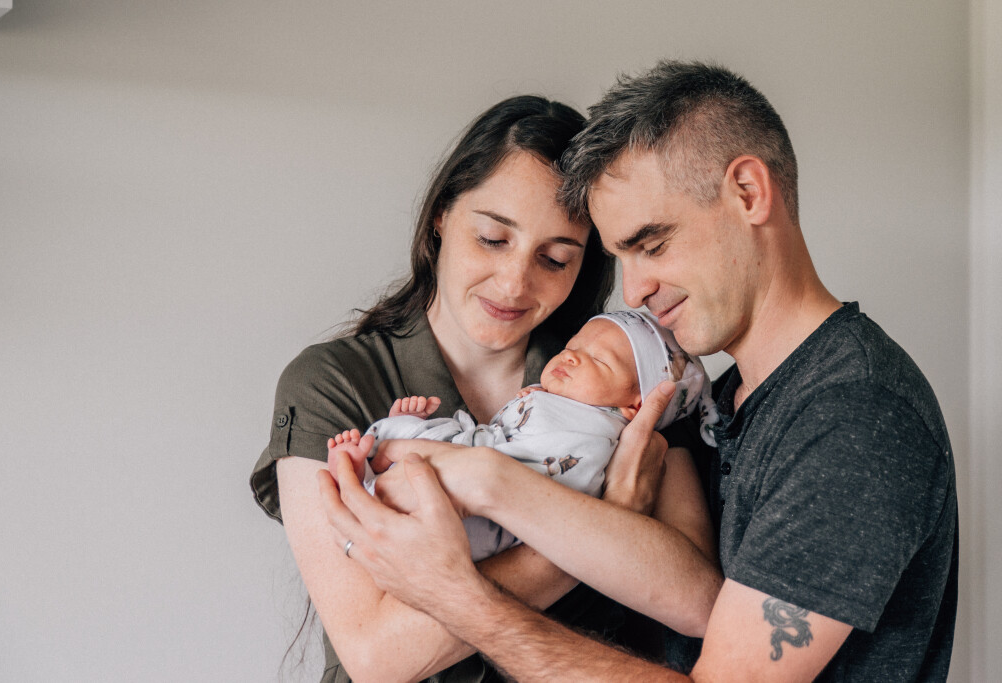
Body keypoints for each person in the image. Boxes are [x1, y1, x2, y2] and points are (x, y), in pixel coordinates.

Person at [319, 60, 959, 682]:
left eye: (652, 244)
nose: (634, 291)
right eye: (621, 257)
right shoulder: (722, 402)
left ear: (748, 192)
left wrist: (460, 593)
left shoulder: (853, 417)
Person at [250, 95, 722, 682]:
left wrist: (492, 495)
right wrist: (607, 522)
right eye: (494, 239)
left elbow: (698, 602)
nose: (515, 282)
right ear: (442, 216)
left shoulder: (627, 376)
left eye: (555, 259)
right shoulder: (333, 383)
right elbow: (377, 656)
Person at [327, 310, 718, 562]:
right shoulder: (560, 401)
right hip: (480, 459)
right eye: (573, 346)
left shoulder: (595, 435)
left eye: (599, 360)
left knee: (425, 513)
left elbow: (556, 483)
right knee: (422, 440)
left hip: (493, 511)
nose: (571, 356)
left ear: (635, 406)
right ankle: (370, 468)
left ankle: (372, 479)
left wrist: (449, 451)